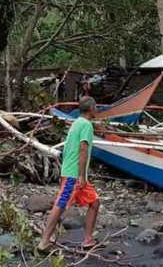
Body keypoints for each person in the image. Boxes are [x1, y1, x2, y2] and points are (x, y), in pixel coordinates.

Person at [38, 96, 100, 251]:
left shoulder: (76, 123)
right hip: (74, 174)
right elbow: (83, 150)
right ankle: (44, 241)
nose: (97, 109)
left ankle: (88, 239)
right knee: (61, 205)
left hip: (73, 172)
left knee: (94, 203)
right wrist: (81, 175)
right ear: (91, 109)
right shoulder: (86, 125)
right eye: (96, 107)